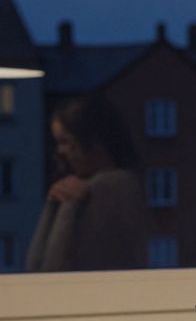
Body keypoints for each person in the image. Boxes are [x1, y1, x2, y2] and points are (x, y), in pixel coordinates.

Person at [26, 94, 148, 271]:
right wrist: (53, 203)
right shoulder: (122, 183)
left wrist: (68, 206)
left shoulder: (106, 187)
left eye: (66, 141)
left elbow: (51, 268)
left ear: (94, 141)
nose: (61, 151)